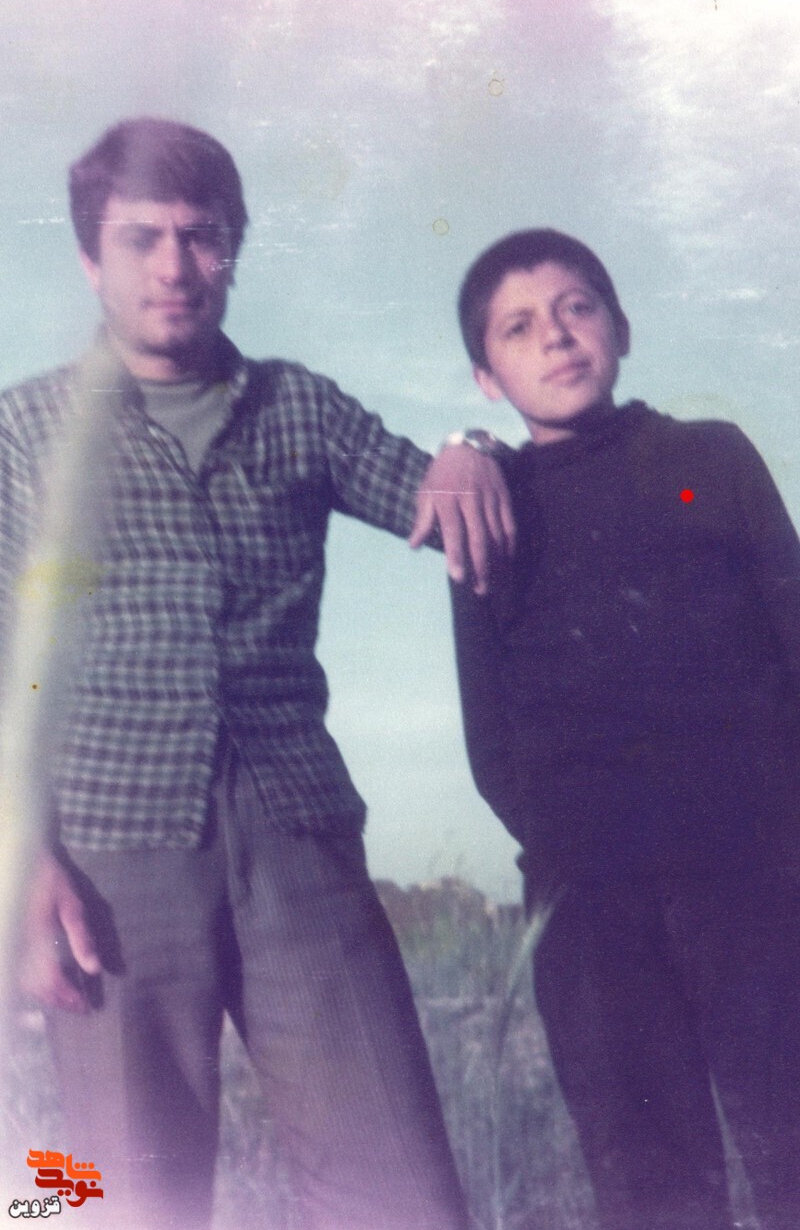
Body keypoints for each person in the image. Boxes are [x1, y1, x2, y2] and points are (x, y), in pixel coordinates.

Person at [7, 117, 515, 1230]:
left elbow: (439, 500)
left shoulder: (298, 405)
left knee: (402, 1195)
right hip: (108, 862)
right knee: (123, 1200)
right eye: (141, 238)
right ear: (90, 257)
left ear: (233, 248)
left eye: (201, 236)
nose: (174, 266)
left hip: (298, 841)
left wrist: (472, 446)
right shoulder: (22, 431)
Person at [449, 228, 800, 1230]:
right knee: (650, 1187)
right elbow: (491, 739)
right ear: (486, 378)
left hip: (756, 882)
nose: (555, 337)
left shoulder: (708, 459)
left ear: (621, 327)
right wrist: (579, 846)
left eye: (576, 308)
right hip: (593, 911)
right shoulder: (491, 505)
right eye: (518, 328)